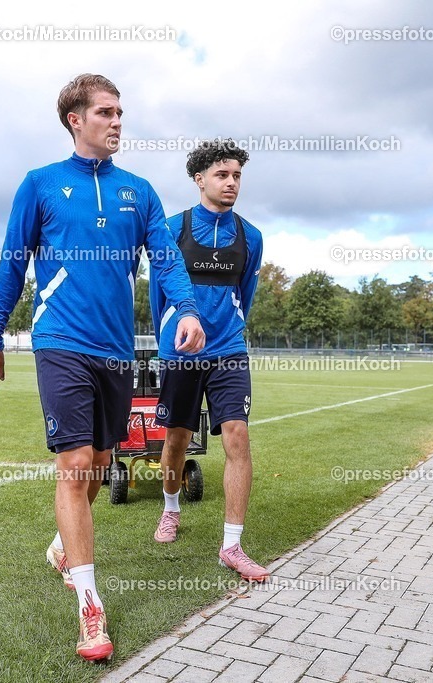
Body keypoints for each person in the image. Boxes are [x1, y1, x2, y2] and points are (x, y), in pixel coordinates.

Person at [0, 74, 205, 662]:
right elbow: (12, 261)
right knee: (75, 463)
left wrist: (182, 306)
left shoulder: (140, 191)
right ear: (75, 119)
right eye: (106, 112)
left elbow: (166, 259)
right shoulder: (41, 185)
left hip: (116, 349)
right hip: (60, 340)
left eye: (121, 112)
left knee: (102, 466)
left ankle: (62, 546)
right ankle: (90, 609)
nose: (117, 122)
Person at [149, 138, 268, 581]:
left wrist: (227, 330)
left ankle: (232, 546)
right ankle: (170, 509)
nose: (231, 182)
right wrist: (172, 336)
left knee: (237, 436)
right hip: (180, 353)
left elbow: (246, 297)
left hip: (229, 351)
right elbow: (157, 296)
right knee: (177, 441)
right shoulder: (170, 228)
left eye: (237, 175)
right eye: (222, 175)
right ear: (199, 180)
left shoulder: (250, 237)